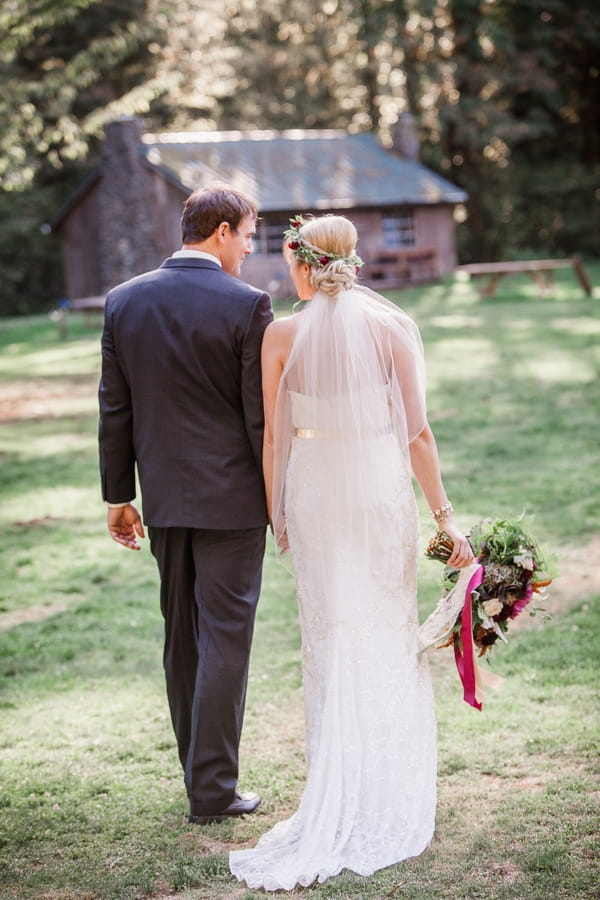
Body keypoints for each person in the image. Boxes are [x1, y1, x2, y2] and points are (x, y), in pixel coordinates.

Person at [229, 214, 474, 891]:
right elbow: (417, 433)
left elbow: (274, 436)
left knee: (331, 630)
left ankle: (341, 781)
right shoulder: (391, 328)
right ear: (353, 259)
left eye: (288, 262)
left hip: (313, 489)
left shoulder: (281, 334)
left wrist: (276, 509)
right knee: (385, 625)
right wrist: (445, 518)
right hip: (376, 484)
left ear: (305, 264)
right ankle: (386, 783)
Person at [98, 184, 273, 825]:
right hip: (234, 503)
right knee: (226, 636)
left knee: (183, 639)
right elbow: (262, 418)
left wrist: (119, 495)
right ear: (221, 230)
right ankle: (213, 791)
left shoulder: (124, 301)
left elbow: (114, 409)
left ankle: (200, 779)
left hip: (164, 501)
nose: (251, 249)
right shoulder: (249, 305)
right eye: (249, 235)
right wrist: (277, 499)